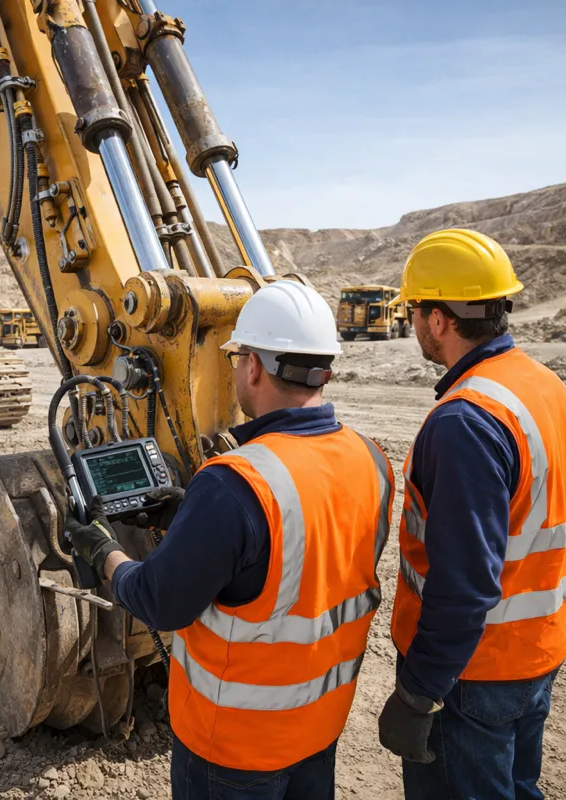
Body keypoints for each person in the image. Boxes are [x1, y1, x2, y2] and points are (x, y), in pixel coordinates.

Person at [67, 280, 394, 800]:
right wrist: (193, 519)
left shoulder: (235, 483)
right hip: (318, 728)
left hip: (234, 747)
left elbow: (158, 600)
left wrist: (104, 551)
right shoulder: (371, 459)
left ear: (254, 366)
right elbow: (301, 552)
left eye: (238, 357)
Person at [377, 228, 565, 799]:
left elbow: (464, 585)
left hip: (471, 675)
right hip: (534, 653)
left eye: (413, 311)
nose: (412, 323)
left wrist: (419, 692)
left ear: (438, 319)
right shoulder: (545, 386)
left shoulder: (467, 421)